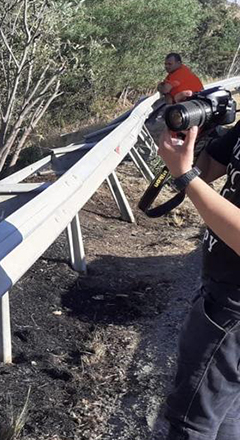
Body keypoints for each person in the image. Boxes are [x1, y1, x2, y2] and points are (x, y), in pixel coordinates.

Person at [156, 112, 240, 438]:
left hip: (232, 308)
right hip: (221, 291)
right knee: (226, 414)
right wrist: (195, 131)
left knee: (191, 423)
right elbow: (207, 169)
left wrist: (185, 176)